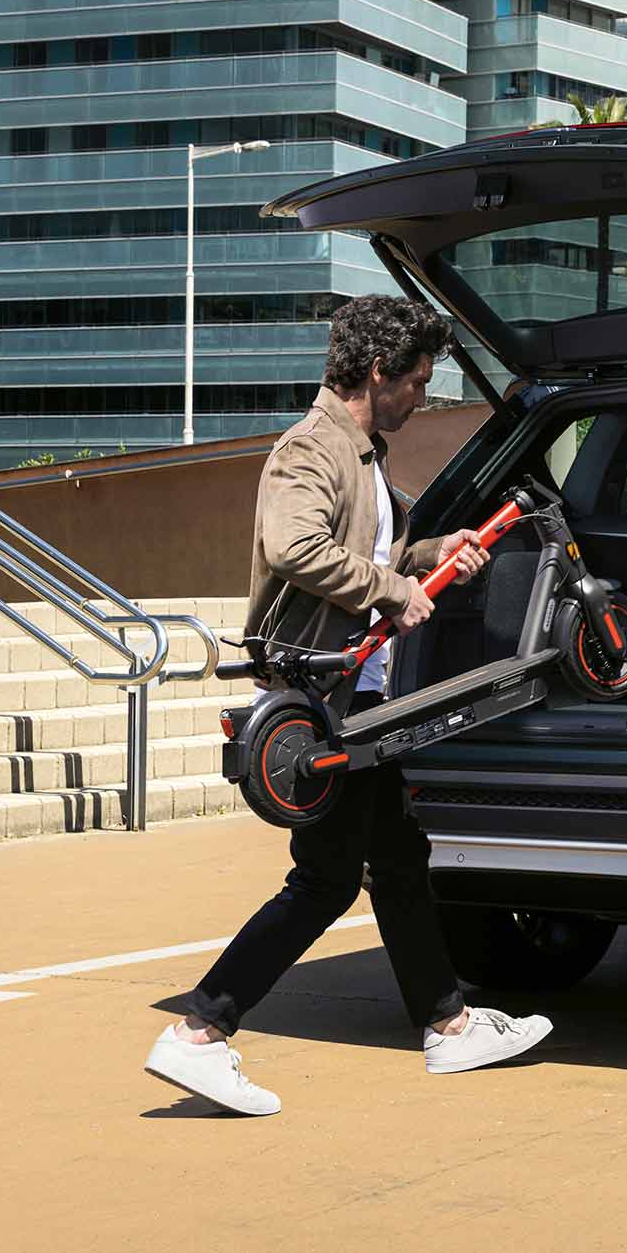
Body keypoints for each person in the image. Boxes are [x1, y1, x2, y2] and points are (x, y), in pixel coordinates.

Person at [144, 296, 552, 1116]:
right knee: (327, 881)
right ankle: (199, 1032)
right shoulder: (312, 449)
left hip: (355, 692)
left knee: (397, 858)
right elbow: (296, 547)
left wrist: (434, 554)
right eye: (418, 382)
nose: (423, 398)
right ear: (378, 373)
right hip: (317, 692)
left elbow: (374, 549)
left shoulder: (362, 454)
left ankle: (449, 1025)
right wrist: (394, 591)